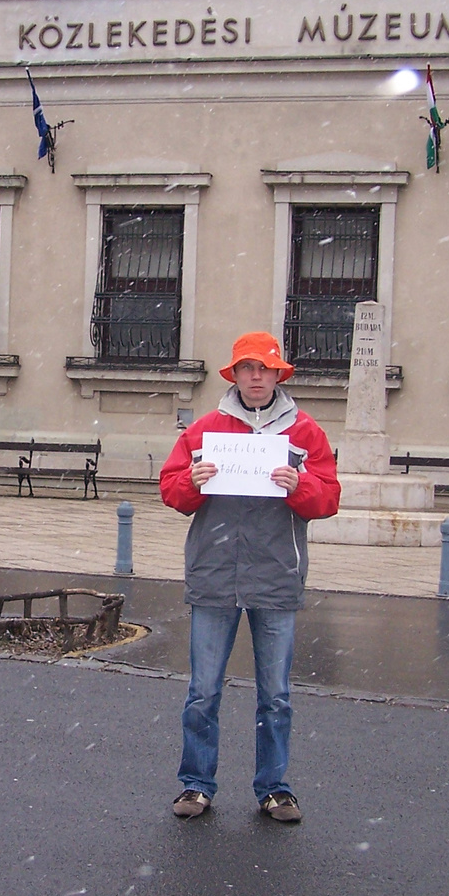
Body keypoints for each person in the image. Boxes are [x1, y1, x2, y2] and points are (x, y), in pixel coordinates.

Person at [158, 331, 341, 824]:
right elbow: (172, 491)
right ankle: (195, 784)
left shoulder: (304, 432)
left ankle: (275, 788)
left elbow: (328, 498)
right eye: (247, 368)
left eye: (264, 369)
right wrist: (189, 483)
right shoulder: (204, 430)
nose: (256, 377)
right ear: (235, 375)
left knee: (276, 695)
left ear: (279, 375)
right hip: (214, 575)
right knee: (203, 692)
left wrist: (300, 486)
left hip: (276, 576)